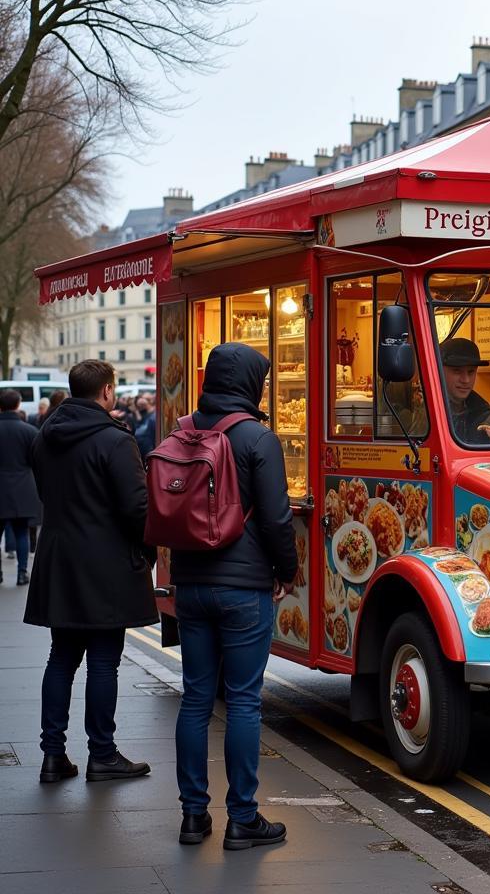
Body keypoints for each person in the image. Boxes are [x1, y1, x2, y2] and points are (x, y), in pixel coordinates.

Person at [172, 342, 298, 850]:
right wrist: (287, 570)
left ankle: (192, 816)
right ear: (250, 383)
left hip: (190, 584)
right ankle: (243, 818)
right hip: (244, 587)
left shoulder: (182, 431)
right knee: (244, 702)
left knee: (197, 698)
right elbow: (275, 517)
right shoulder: (256, 438)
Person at [24, 360, 155, 784]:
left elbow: (47, 492)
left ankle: (52, 755)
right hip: (106, 561)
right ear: (107, 392)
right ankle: (102, 754)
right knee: (103, 661)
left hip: (59, 557)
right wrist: (148, 551)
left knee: (61, 657)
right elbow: (137, 508)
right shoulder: (115, 441)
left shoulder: (45, 437)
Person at [0, 389, 43, 585]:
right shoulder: (29, 431)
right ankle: (22, 572)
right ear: (18, 405)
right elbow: (37, 462)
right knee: (21, 532)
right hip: (22, 487)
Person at [439, 338, 490, 442]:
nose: (465, 380)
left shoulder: (485, 414)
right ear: (439, 370)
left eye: (471, 372)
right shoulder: (420, 411)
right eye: (457, 371)